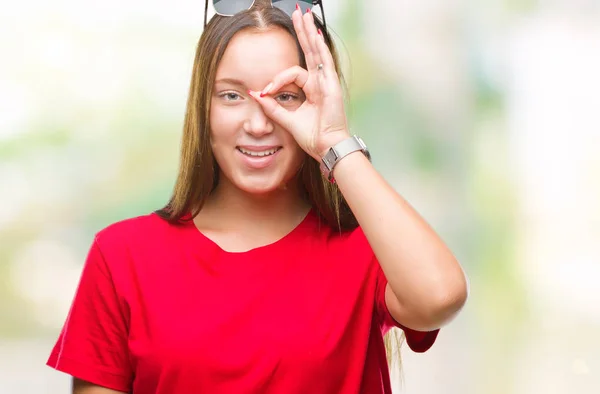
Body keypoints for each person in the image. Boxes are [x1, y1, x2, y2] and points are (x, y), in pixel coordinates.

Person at [46, 1, 468, 393]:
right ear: (203, 108)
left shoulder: (367, 250)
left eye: (285, 96)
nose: (258, 124)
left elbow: (439, 297)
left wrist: (334, 142)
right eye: (231, 95)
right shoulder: (123, 256)